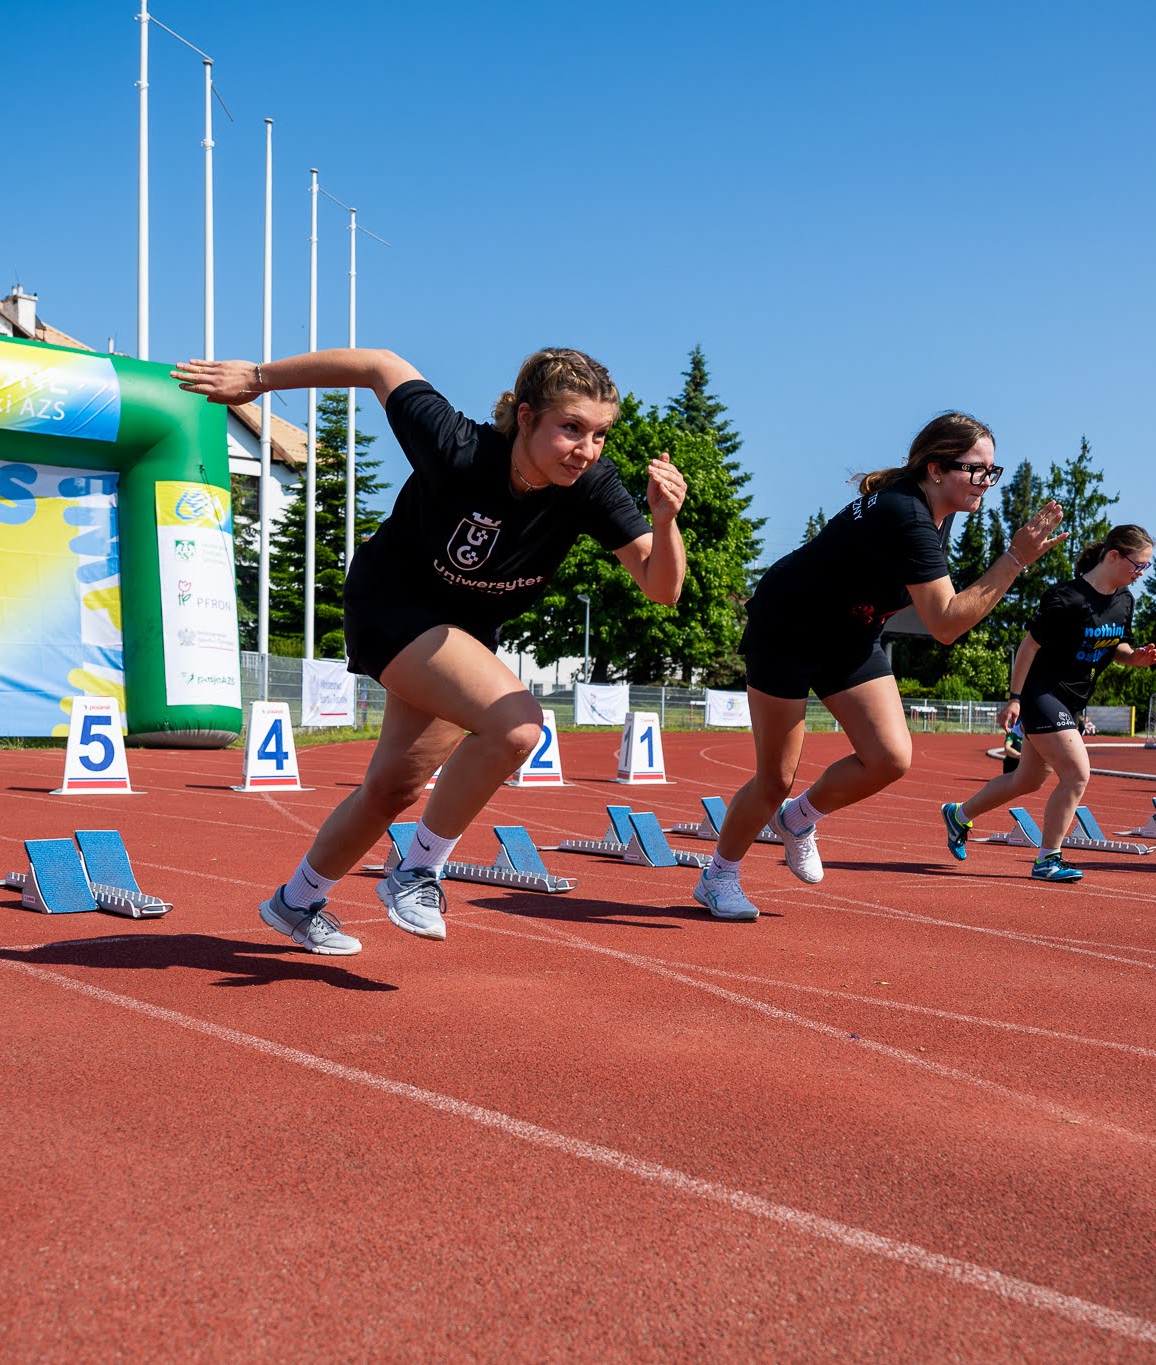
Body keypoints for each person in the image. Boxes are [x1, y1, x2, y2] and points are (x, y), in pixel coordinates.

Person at [173, 347, 686, 953]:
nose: (587, 449)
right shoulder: (457, 446)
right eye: (571, 428)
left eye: (600, 434)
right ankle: (416, 872)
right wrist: (257, 380)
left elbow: (662, 590)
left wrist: (664, 519)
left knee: (394, 789)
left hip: (463, 636)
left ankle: (295, 901)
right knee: (519, 728)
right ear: (525, 418)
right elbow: (379, 365)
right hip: (391, 609)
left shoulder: (591, 488)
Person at [692, 411, 1065, 920]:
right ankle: (718, 877)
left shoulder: (939, 508)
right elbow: (946, 623)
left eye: (992, 471)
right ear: (935, 469)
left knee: (890, 756)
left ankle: (798, 820)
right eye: (976, 469)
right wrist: (1015, 559)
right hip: (788, 632)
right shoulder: (906, 515)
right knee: (773, 779)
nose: (987, 482)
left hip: (850, 634)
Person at [939, 526, 1156, 881]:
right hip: (1041, 695)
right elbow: (1029, 647)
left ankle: (959, 814)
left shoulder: (1124, 601)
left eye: (1145, 568)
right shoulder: (1066, 598)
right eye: (1138, 565)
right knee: (1076, 774)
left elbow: (1115, 646)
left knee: (1025, 781)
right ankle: (1048, 859)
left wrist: (1134, 657)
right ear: (1114, 556)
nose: (1140, 574)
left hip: (1071, 702)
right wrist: (1014, 699)